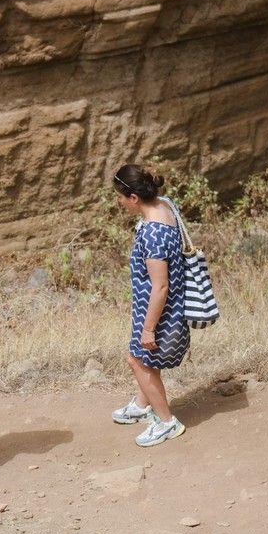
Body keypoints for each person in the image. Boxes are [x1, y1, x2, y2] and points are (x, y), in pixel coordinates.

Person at [110, 164, 189, 446]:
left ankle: (167, 422)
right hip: (169, 305)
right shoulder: (166, 205)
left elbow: (160, 286)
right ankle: (143, 405)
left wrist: (148, 329)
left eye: (120, 196)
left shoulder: (152, 233)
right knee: (147, 361)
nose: (118, 201)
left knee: (138, 361)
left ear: (134, 198)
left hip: (159, 310)